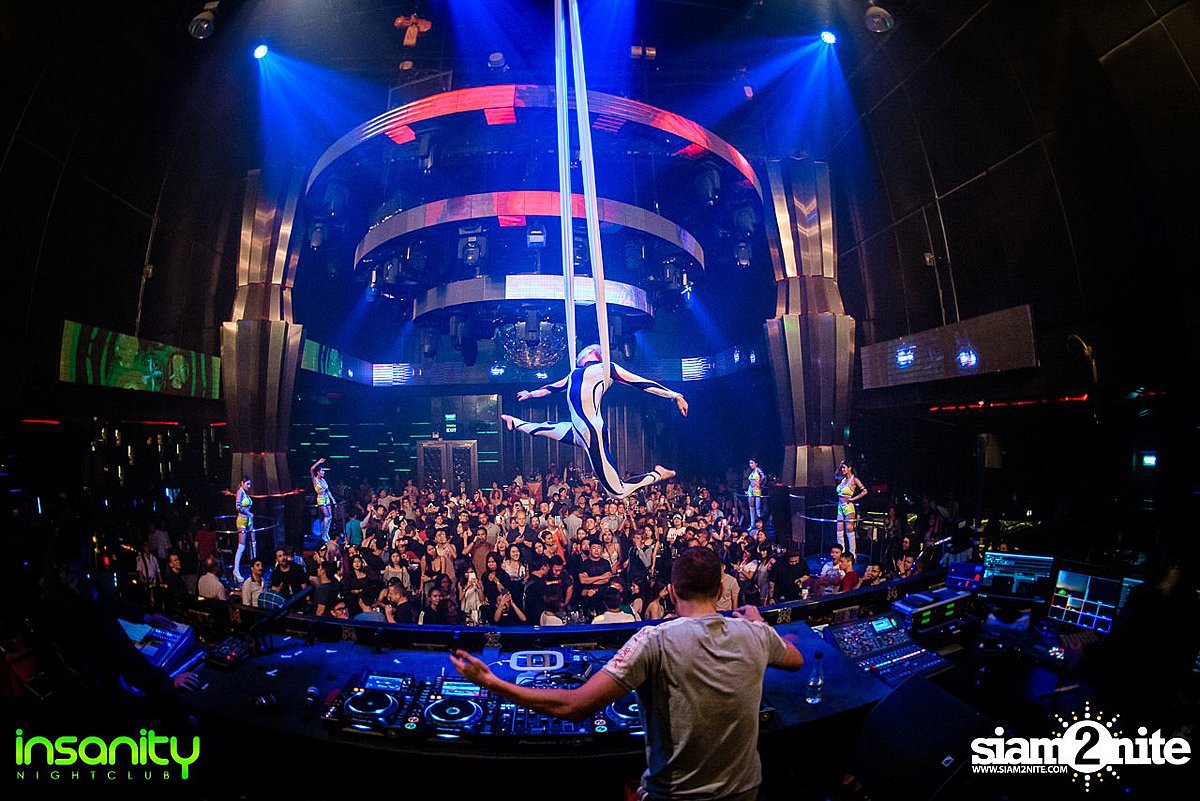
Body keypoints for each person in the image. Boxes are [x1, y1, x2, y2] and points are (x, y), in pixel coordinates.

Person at [451, 547, 805, 801]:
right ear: (720, 590)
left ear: (671, 591)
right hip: (745, 790)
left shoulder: (654, 640)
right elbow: (795, 659)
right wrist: (760, 624)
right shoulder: (755, 634)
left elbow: (575, 706)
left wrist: (493, 683)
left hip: (675, 795)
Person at [502, 344, 688, 500]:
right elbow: (552, 388)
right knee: (542, 429)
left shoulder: (606, 369)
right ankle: (514, 421)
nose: (580, 355)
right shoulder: (574, 374)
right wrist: (530, 394)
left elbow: (641, 382)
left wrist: (675, 395)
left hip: (591, 431)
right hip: (577, 430)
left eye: (584, 351)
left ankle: (657, 474)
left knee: (616, 492)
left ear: (594, 352)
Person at [835, 462, 867, 556]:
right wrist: (839, 466)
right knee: (839, 530)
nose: (842, 470)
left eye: (844, 468)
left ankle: (852, 554)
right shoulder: (843, 480)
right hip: (840, 507)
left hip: (848, 506)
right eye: (842, 468)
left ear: (849, 468)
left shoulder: (854, 480)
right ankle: (841, 553)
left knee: (849, 529)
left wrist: (853, 499)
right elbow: (835, 476)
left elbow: (864, 491)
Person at [233, 476, 254, 582]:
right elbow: (238, 507)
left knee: (253, 544)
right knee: (242, 546)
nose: (249, 486)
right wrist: (248, 513)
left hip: (249, 521)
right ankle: (236, 570)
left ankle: (255, 567)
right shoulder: (240, 492)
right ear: (242, 483)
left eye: (250, 484)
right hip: (242, 521)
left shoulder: (246, 493)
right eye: (247, 484)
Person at [311, 457, 334, 541]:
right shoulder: (315, 479)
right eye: (322, 471)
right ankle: (323, 535)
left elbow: (328, 491)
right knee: (326, 516)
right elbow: (311, 469)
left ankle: (326, 533)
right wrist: (318, 462)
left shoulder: (323, 480)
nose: (324, 472)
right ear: (318, 472)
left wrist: (333, 500)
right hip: (320, 499)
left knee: (330, 517)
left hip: (327, 498)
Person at [746, 458, 766, 529]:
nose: (750, 465)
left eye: (752, 463)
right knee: (751, 508)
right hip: (750, 489)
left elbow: (764, 477)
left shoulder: (758, 470)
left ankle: (760, 524)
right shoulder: (752, 472)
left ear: (756, 464)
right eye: (750, 463)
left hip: (756, 489)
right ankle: (752, 524)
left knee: (758, 509)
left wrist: (760, 484)